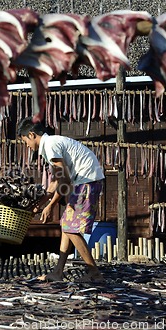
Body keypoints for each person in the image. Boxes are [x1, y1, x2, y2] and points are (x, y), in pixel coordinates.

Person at [17, 117, 105, 283]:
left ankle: (95, 273)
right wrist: (42, 203)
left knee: (71, 229)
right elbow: (58, 182)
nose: (27, 146)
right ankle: (58, 272)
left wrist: (49, 205)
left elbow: (62, 180)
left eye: (25, 141)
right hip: (84, 181)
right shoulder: (52, 143)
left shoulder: (50, 145)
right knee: (66, 225)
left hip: (86, 181)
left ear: (31, 135)